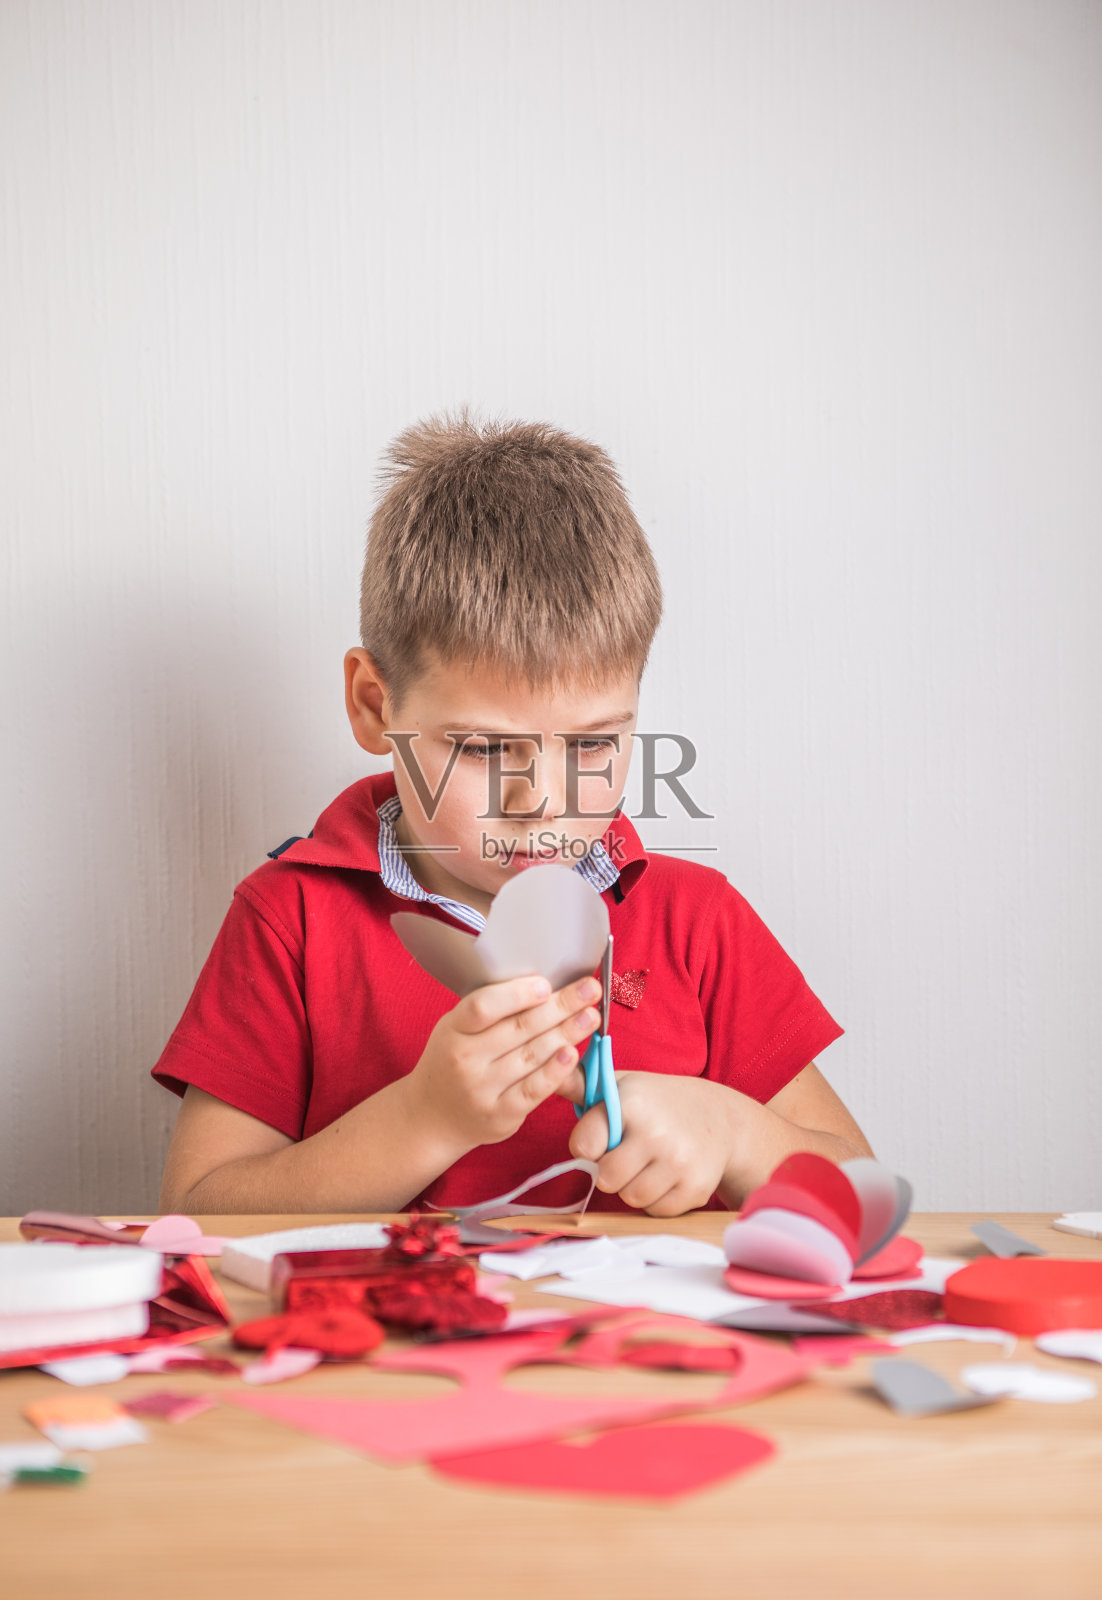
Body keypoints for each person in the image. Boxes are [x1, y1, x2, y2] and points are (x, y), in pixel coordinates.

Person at [155, 409, 871, 1216]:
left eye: (595, 746)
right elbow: (198, 1211)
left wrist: (740, 1138)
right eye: (488, 751)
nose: (542, 804)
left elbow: (863, 1192)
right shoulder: (291, 920)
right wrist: (425, 1120)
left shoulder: (698, 925)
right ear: (372, 703)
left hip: (652, 1343)